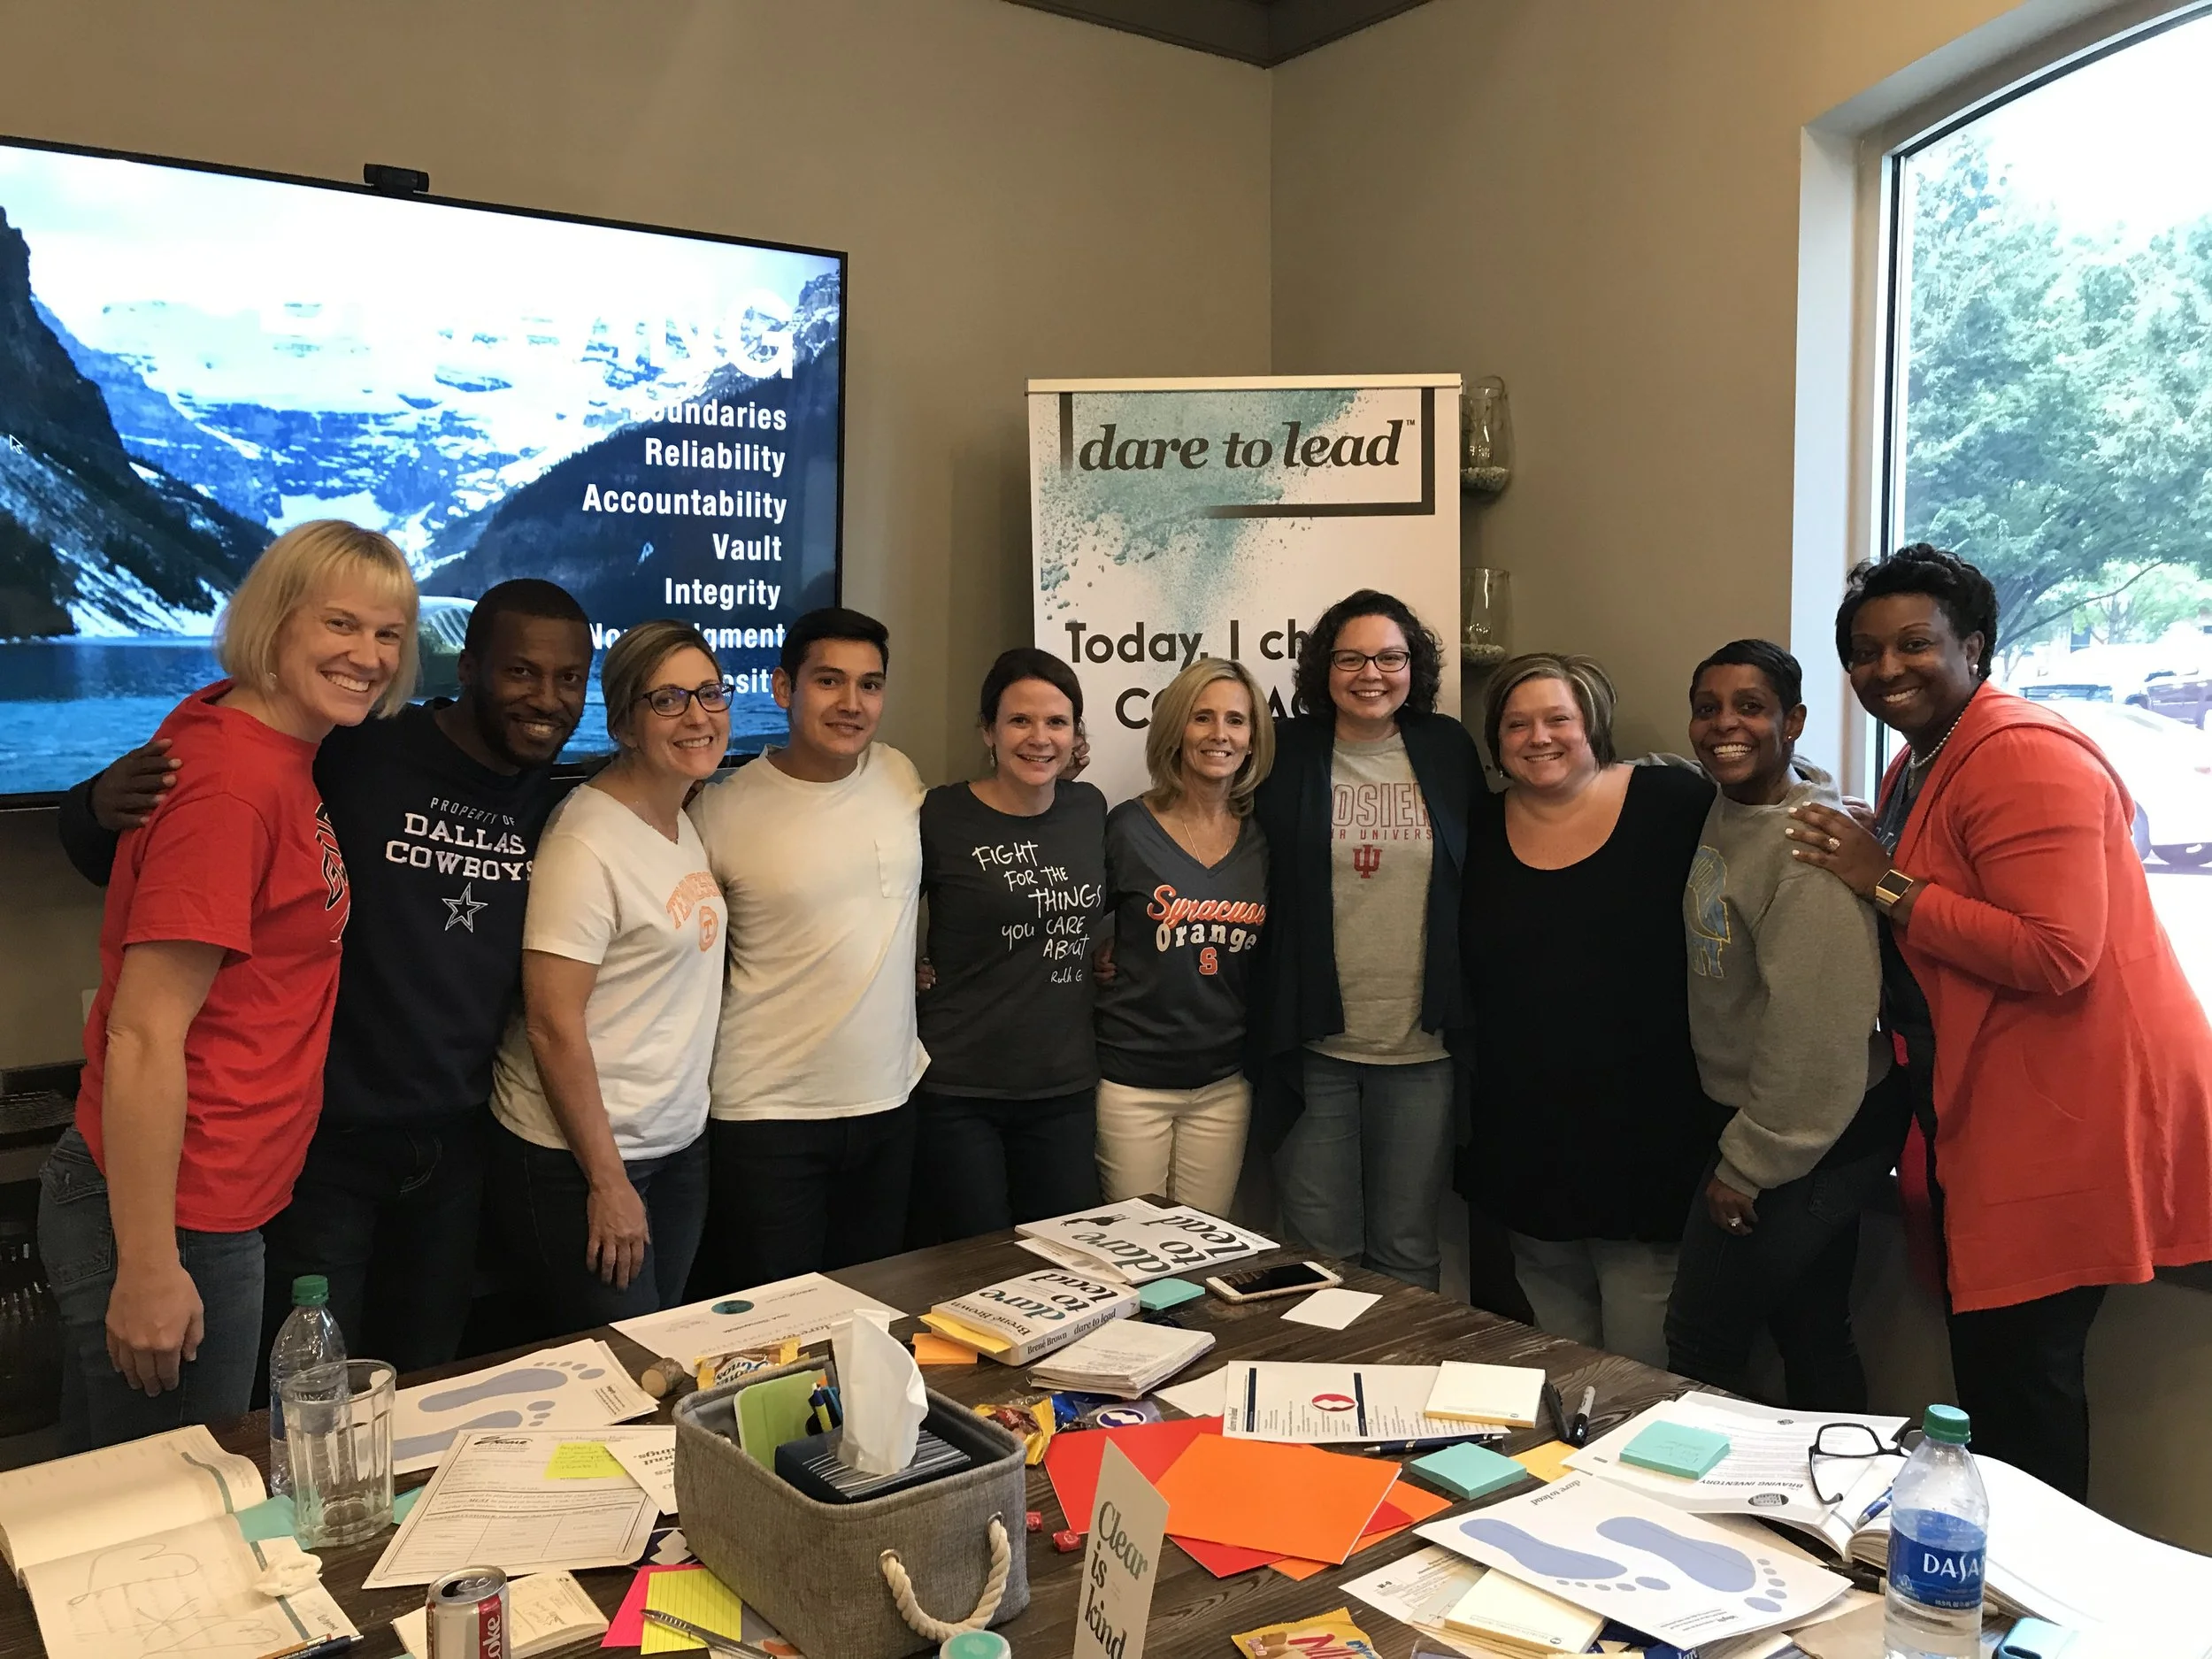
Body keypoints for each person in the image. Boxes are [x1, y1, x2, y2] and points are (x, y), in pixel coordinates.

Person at [60, 580, 595, 1374]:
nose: (546, 699)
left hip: (456, 1142)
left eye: (569, 678)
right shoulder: (359, 742)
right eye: (521, 672)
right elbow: (168, 823)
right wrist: (94, 805)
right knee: (303, 1390)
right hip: (323, 1147)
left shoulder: (556, 799)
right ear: (469, 668)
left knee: (425, 1376)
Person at [1786, 545, 2212, 1498]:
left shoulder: (2021, 753)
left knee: (2021, 1387)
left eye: (1913, 644)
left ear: (1973, 646)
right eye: (1864, 652)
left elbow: (2057, 951)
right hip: (1992, 1104)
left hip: (2063, 1112)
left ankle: (2025, 1581)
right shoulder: (1924, 756)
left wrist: (1882, 879)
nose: (1886, 668)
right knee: (1994, 1377)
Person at [38, 520, 418, 1449]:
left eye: (389, 633)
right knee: (176, 1500)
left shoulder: (259, 742)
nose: (369, 656)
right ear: (274, 622)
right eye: (340, 624)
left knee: (106, 1494)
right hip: (174, 1207)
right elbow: (143, 1032)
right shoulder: (234, 785)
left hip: (205, 1196)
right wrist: (148, 1265)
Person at [1662, 640, 1909, 1409]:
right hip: (1786, 1118)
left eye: (1750, 707)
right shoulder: (1737, 804)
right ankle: (1827, 1485)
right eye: (1707, 709)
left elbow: (1816, 1032)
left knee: (1700, 1340)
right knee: (1811, 1328)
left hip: (1810, 1129)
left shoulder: (1806, 851)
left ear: (1793, 720)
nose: (1724, 726)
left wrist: (1748, 1164)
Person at [1461, 652, 1724, 1367]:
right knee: (1558, 1341)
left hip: (1646, 1128)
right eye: (1517, 724)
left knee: (1642, 1350)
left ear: (1593, 724)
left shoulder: (1672, 802)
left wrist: (1826, 803)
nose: (1538, 737)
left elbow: (1767, 806)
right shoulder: (1476, 827)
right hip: (1525, 1128)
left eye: (1558, 719)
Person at [488, 622, 728, 1322]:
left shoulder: (681, 816)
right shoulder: (585, 841)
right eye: (668, 700)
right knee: (621, 1366)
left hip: (675, 1144)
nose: (697, 715)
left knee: (662, 1347)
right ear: (624, 724)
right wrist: (607, 1180)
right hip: (585, 1159)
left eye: (710, 693)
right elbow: (551, 1022)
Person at [688, 607, 927, 1289]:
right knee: (775, 1325)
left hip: (888, 1104)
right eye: (829, 680)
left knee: (873, 1312)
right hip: (768, 1117)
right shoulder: (720, 810)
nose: (852, 703)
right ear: (783, 688)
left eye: (870, 685)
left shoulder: (897, 775)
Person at [1248, 590, 1479, 1291]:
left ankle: (1404, 1367)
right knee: (1321, 1255)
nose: (1370, 674)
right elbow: (1226, 844)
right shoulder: (1287, 751)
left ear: (1415, 667)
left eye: (1389, 658)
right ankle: (1323, 1370)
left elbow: (1487, 865)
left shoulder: (1446, 748)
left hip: (1421, 1049)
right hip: (1314, 1042)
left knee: (1407, 1248)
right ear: (1324, 667)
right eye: (1350, 658)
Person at [907, 649, 1108, 1242]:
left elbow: (1125, 896)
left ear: (1075, 735)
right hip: (960, 1089)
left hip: (1064, 1086)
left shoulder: (1089, 808)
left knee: (1068, 1262)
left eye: (1056, 722)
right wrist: (901, 968)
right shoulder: (941, 814)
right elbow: (876, 905)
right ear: (988, 731)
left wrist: (1115, 949)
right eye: (1020, 720)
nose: (1039, 738)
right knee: (976, 1266)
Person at [1094, 657, 1275, 1216]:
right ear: (1176, 728)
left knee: (1208, 1247)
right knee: (1130, 1246)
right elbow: (1068, 920)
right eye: (1202, 717)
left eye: (1236, 721)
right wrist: (1096, 954)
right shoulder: (1128, 827)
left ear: (1252, 738)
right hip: (1132, 1083)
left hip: (1223, 1083)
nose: (1220, 734)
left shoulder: (1264, 839)